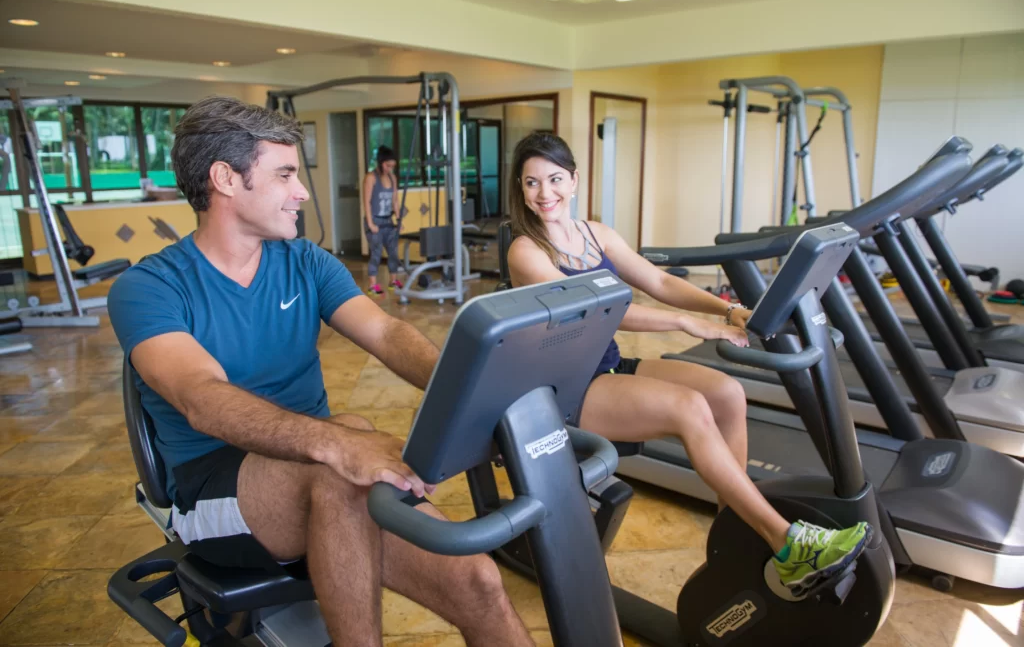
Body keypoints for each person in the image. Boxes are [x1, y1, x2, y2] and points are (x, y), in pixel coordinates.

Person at [107, 97, 532, 647]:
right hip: (213, 484)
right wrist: (335, 444)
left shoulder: (306, 261)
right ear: (225, 179)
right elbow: (201, 397)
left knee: (477, 582)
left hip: (325, 477)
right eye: (284, 174)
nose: (302, 192)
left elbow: (387, 334)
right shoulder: (150, 287)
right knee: (341, 453)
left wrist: (474, 395)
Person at [505, 132, 870, 598]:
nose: (544, 193)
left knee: (726, 394)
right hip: (565, 390)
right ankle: (786, 543)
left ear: (574, 180)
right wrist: (686, 323)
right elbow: (597, 311)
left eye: (555, 179)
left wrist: (726, 310)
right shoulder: (526, 251)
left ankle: (735, 538)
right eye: (532, 182)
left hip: (610, 366)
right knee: (689, 408)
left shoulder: (596, 234)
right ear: (521, 189)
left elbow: (658, 281)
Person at [364, 145, 403, 295]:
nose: (390, 169)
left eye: (392, 166)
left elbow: (395, 201)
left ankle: (393, 281)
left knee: (393, 252)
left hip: (388, 221)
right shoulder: (371, 178)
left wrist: (398, 219)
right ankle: (372, 285)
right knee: (376, 253)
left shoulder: (392, 178)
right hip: (375, 221)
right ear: (381, 162)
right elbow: (367, 202)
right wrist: (370, 223)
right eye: (387, 165)